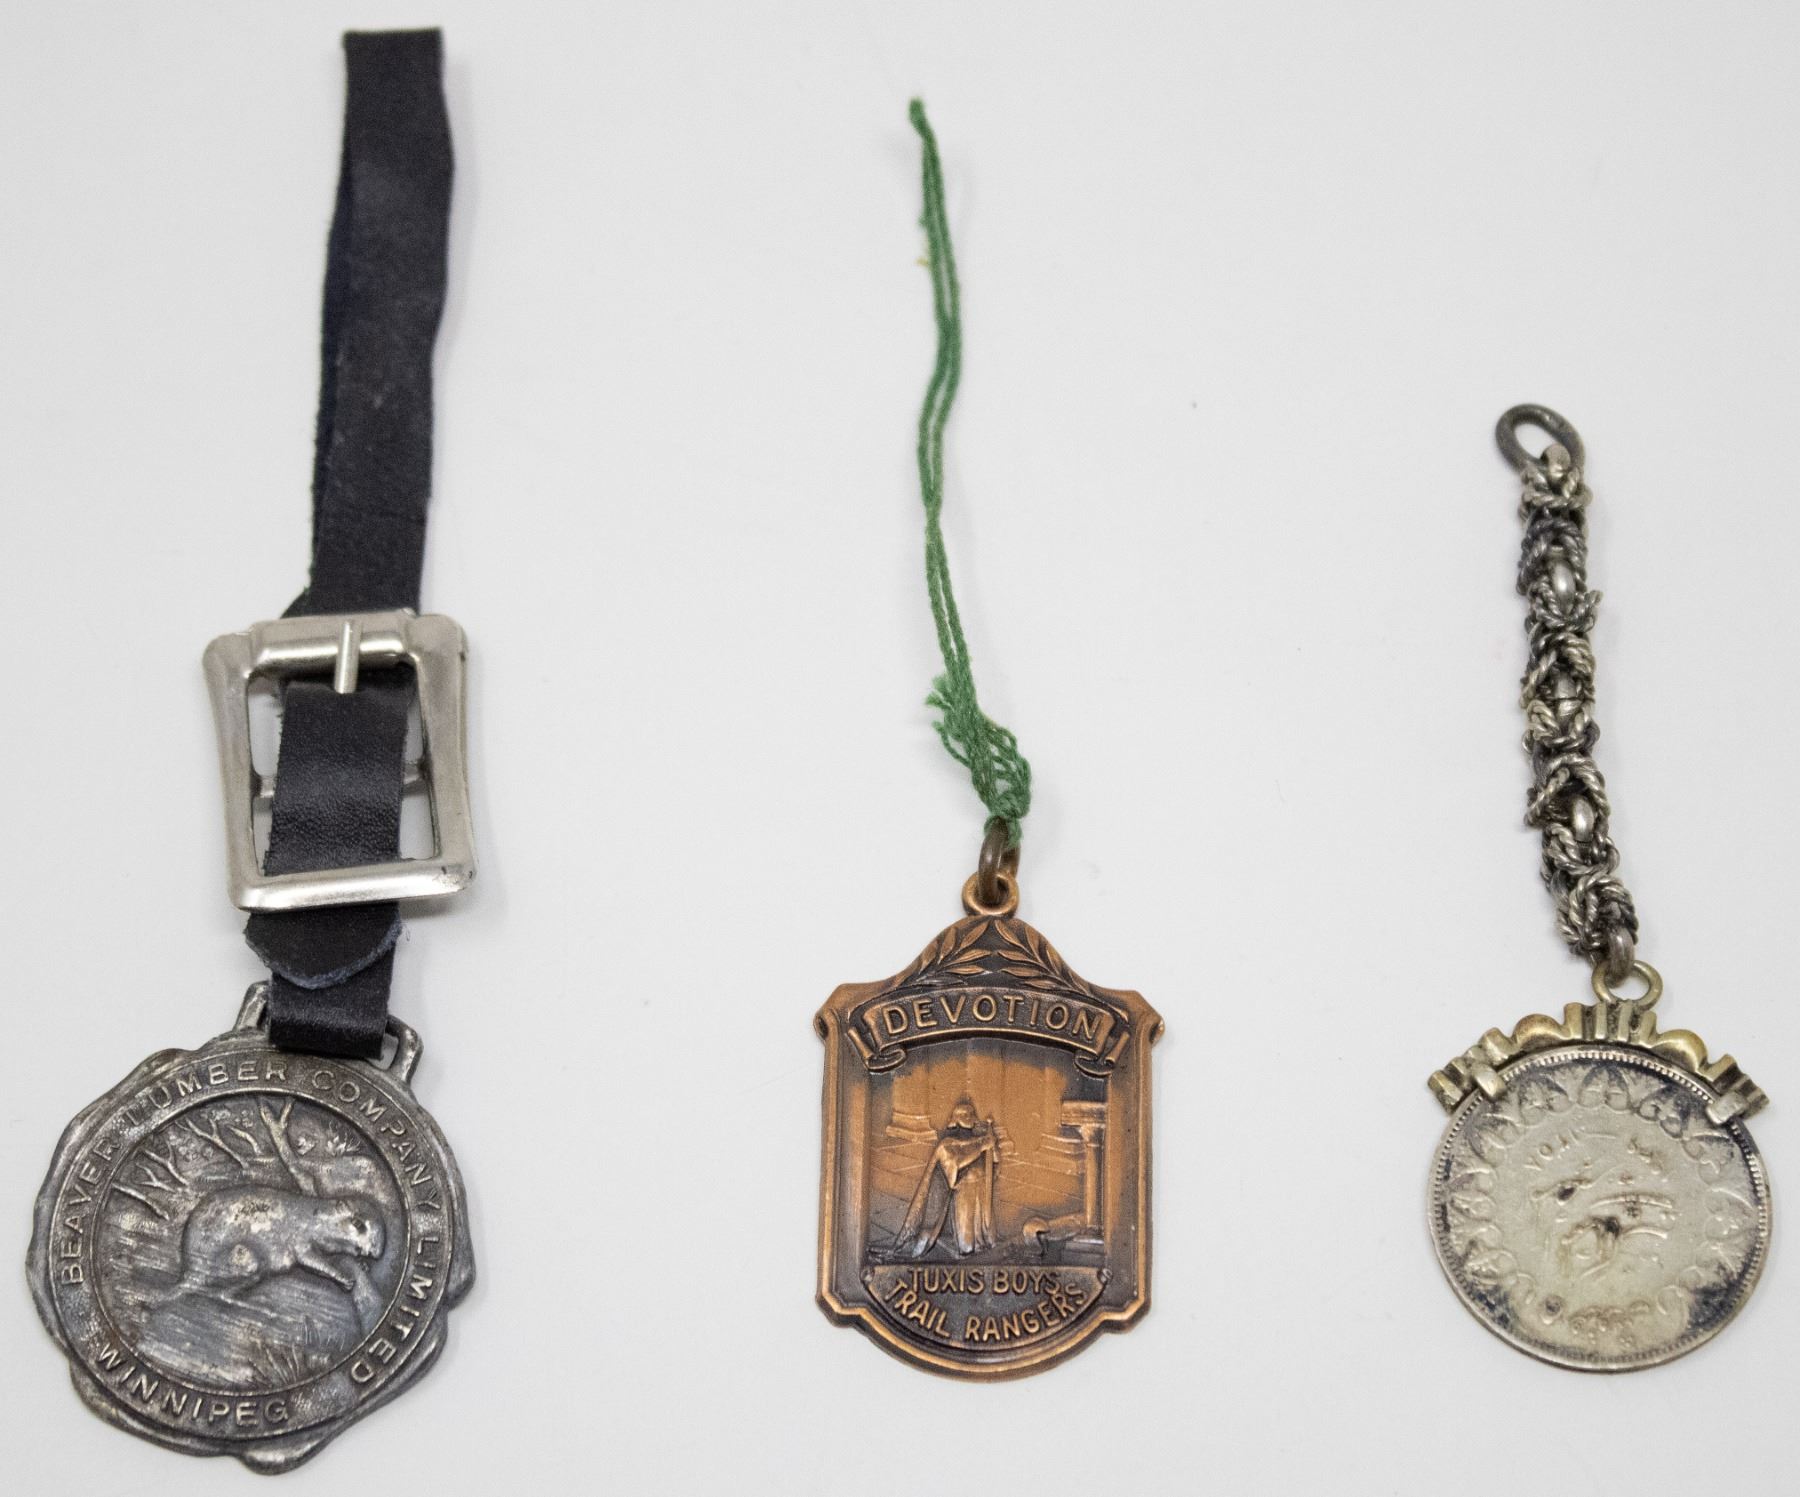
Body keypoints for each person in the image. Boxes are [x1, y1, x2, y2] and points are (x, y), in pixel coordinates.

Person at [897, 1098, 996, 1257]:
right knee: (966, 1242)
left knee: (984, 1234)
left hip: (981, 1189)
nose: (969, 1117)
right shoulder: (946, 1145)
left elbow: (994, 1161)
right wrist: (982, 1146)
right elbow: (955, 1164)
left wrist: (992, 1147)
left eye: (971, 1114)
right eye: (964, 1115)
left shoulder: (979, 1140)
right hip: (963, 1190)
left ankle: (983, 1249)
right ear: (955, 1119)